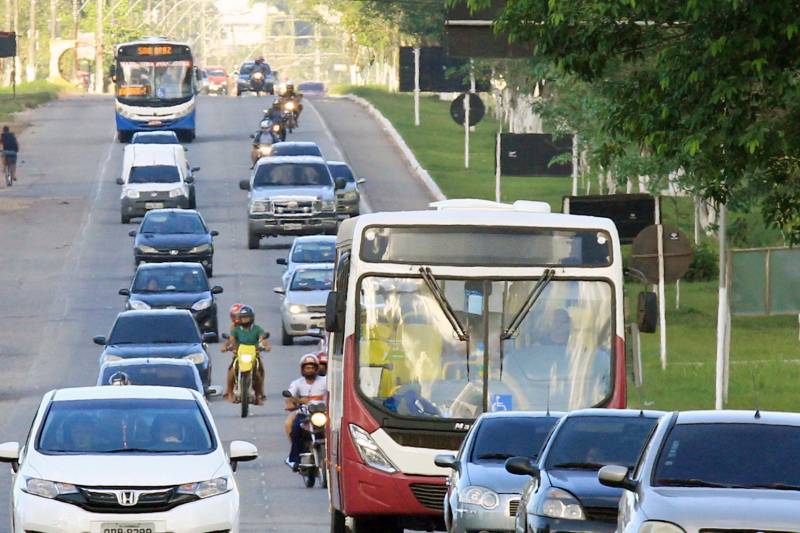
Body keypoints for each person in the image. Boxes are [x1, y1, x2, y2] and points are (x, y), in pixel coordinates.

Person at [284, 353, 327, 470]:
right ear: (302, 369)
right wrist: (295, 401)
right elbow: (290, 394)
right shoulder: (297, 383)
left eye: (312, 368)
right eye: (307, 368)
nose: (310, 370)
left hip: (323, 413)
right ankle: (295, 459)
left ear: (317, 369)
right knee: (296, 428)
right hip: (305, 413)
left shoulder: (325, 381)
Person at [224, 305, 270, 404]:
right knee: (232, 369)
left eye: (247, 317)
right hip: (239, 354)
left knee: (259, 371)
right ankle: (229, 392)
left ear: (252, 318)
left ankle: (259, 394)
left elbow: (262, 338)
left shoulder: (257, 329)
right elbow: (231, 339)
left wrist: (265, 346)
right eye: (243, 318)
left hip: (254, 354)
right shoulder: (236, 330)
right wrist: (227, 347)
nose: (245, 320)